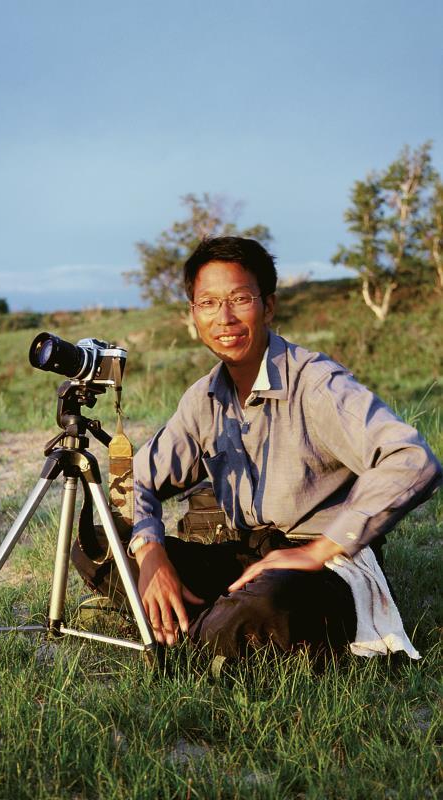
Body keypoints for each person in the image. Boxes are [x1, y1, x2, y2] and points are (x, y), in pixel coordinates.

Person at [73, 236, 441, 658]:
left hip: (319, 569)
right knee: (96, 547)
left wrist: (318, 551)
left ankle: (206, 629)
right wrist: (150, 549)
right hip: (245, 558)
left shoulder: (316, 384)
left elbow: (413, 461)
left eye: (240, 299)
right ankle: (218, 625)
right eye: (207, 303)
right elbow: (138, 478)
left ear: (268, 306)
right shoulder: (204, 397)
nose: (224, 318)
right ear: (193, 314)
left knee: (268, 601)